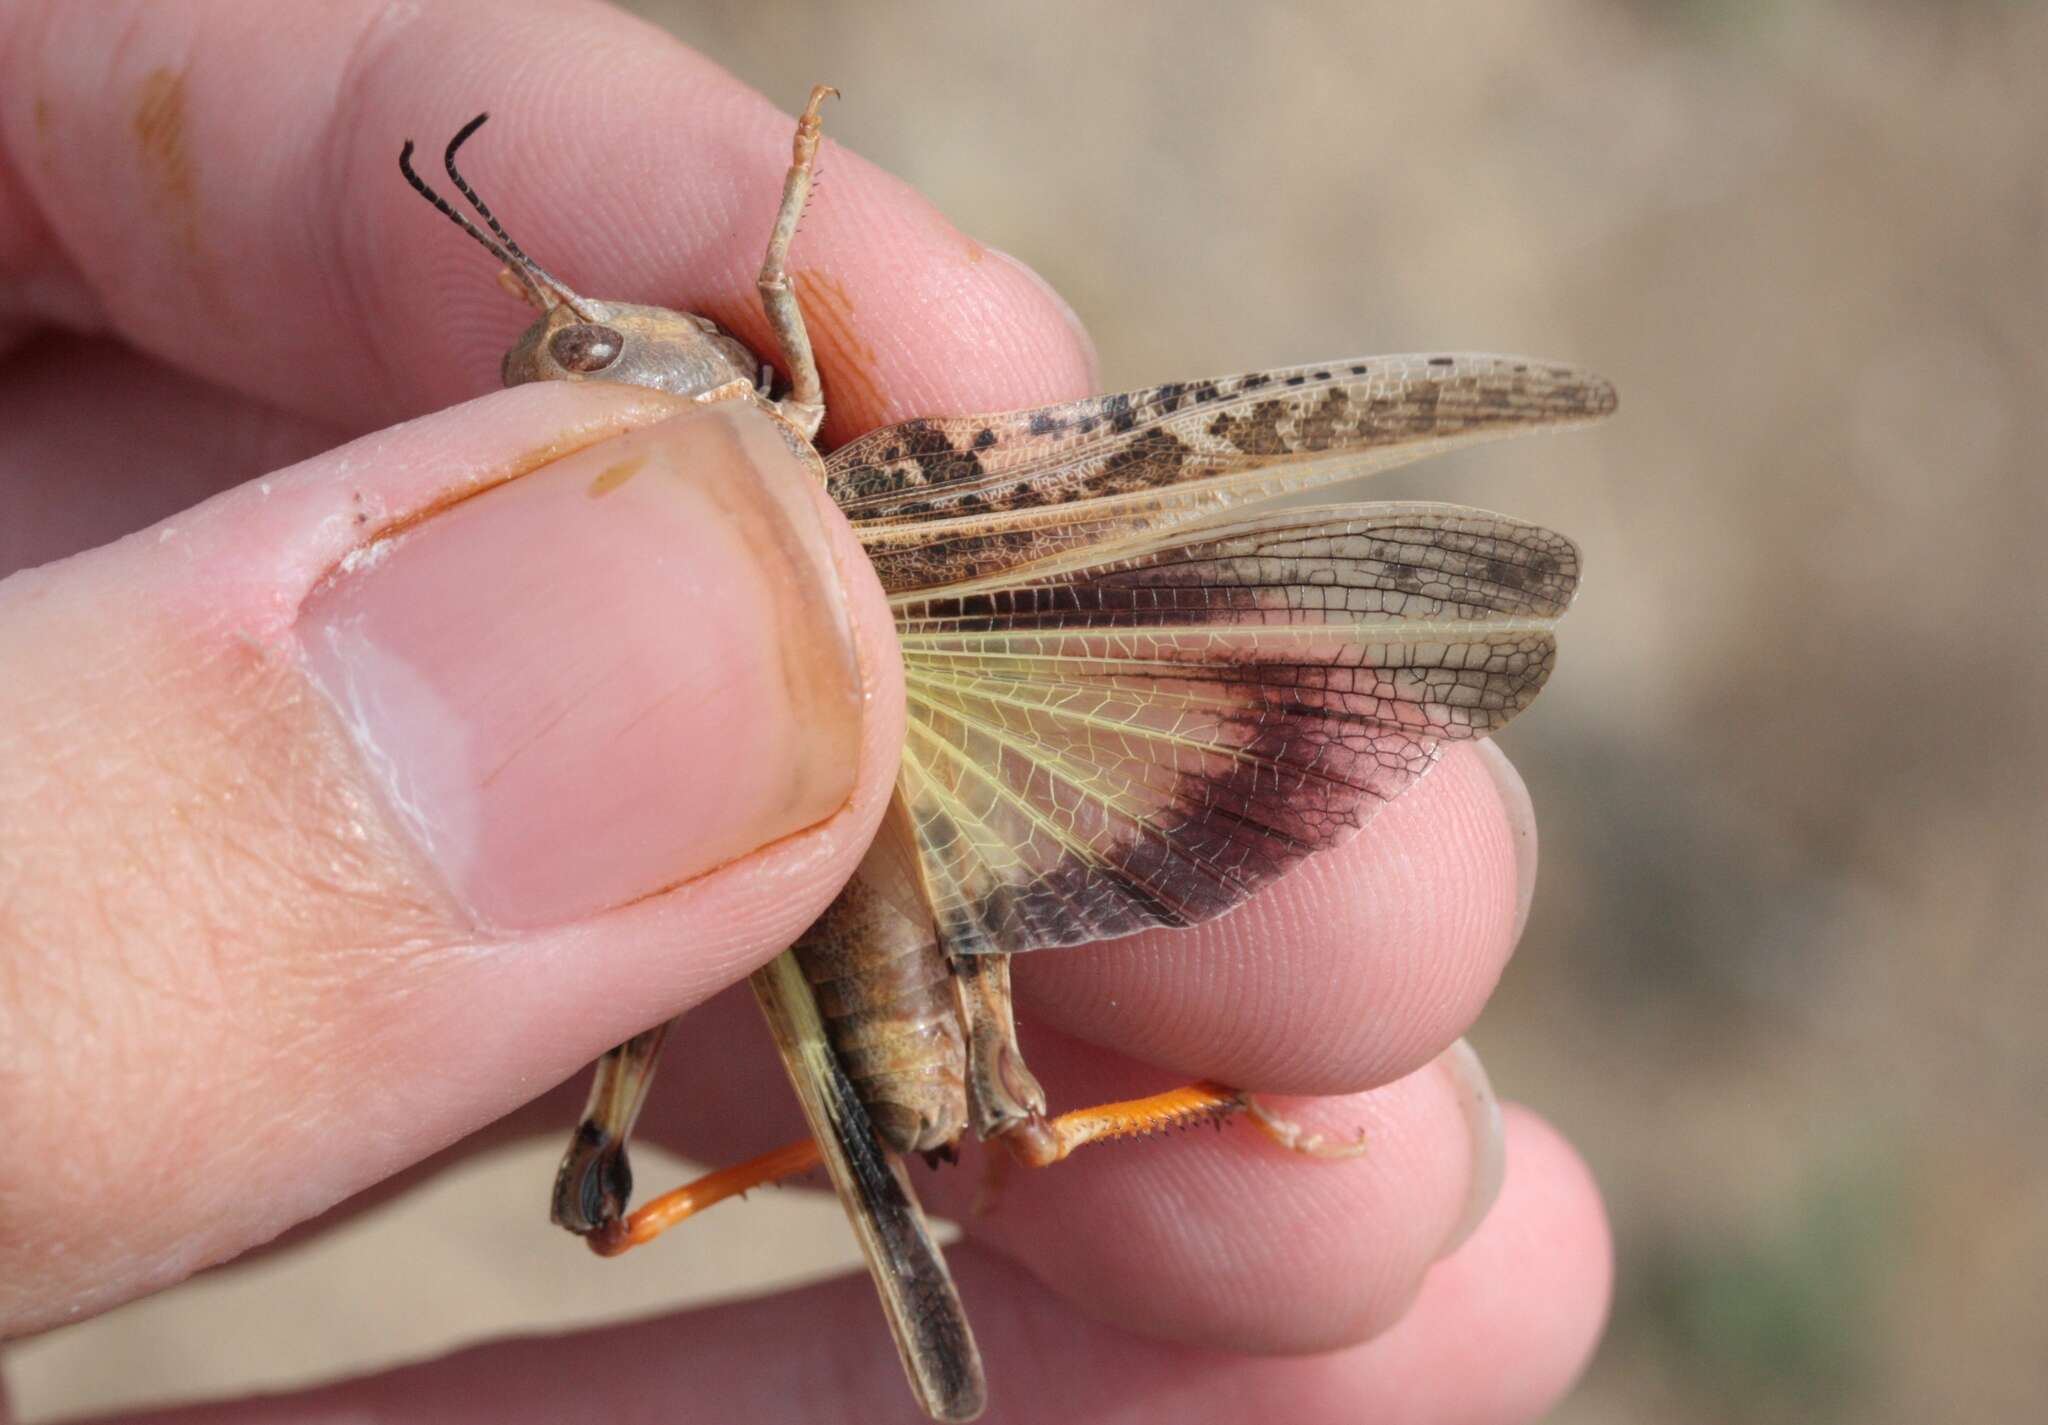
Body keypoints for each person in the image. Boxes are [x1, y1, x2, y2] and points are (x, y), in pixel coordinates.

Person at [0, 2, 1610, 1418]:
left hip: (925, 727)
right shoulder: (630, 544)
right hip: (791, 900)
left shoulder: (821, 441)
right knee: (705, 1156)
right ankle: (1156, 1113)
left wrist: (778, 240)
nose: (594, 330)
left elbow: (803, 348)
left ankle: (1173, 1104)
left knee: (1054, 1056)